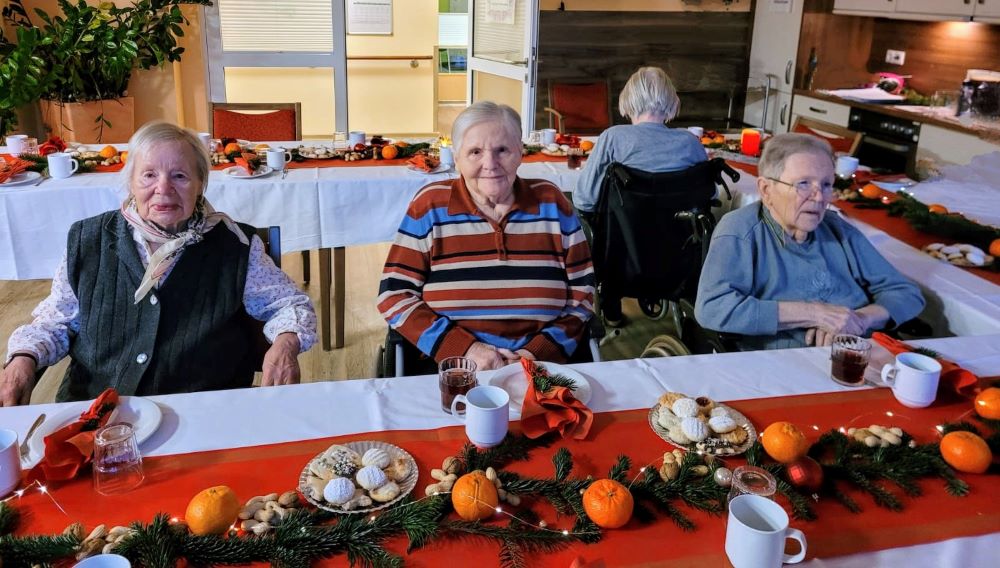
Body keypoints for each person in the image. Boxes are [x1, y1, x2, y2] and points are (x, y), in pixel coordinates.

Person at [0, 121, 317, 405]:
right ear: (131, 183)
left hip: (205, 412)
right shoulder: (89, 240)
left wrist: (287, 342)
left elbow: (290, 305)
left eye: (180, 176)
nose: (163, 189)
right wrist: (23, 360)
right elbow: (57, 321)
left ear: (200, 185)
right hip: (97, 414)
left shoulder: (236, 245)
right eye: (149, 175)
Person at [378, 101, 594, 372]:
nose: (490, 164)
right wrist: (465, 349)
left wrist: (535, 354)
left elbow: (583, 294)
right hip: (453, 370)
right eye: (475, 152)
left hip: (542, 370)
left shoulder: (552, 203)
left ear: (520, 153)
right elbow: (394, 295)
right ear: (456, 158)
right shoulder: (430, 206)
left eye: (502, 150)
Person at [694, 133, 925, 350]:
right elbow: (712, 308)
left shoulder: (837, 230)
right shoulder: (741, 231)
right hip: (786, 361)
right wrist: (814, 313)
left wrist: (858, 321)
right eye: (803, 184)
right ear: (766, 189)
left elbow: (906, 293)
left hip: (858, 353)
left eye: (826, 185)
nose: (819, 197)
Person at [573, 66, 707, 326]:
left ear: (628, 99)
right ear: (671, 100)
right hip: (677, 256)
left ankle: (610, 302)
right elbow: (707, 194)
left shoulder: (614, 138)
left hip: (623, 256)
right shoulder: (690, 142)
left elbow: (584, 199)